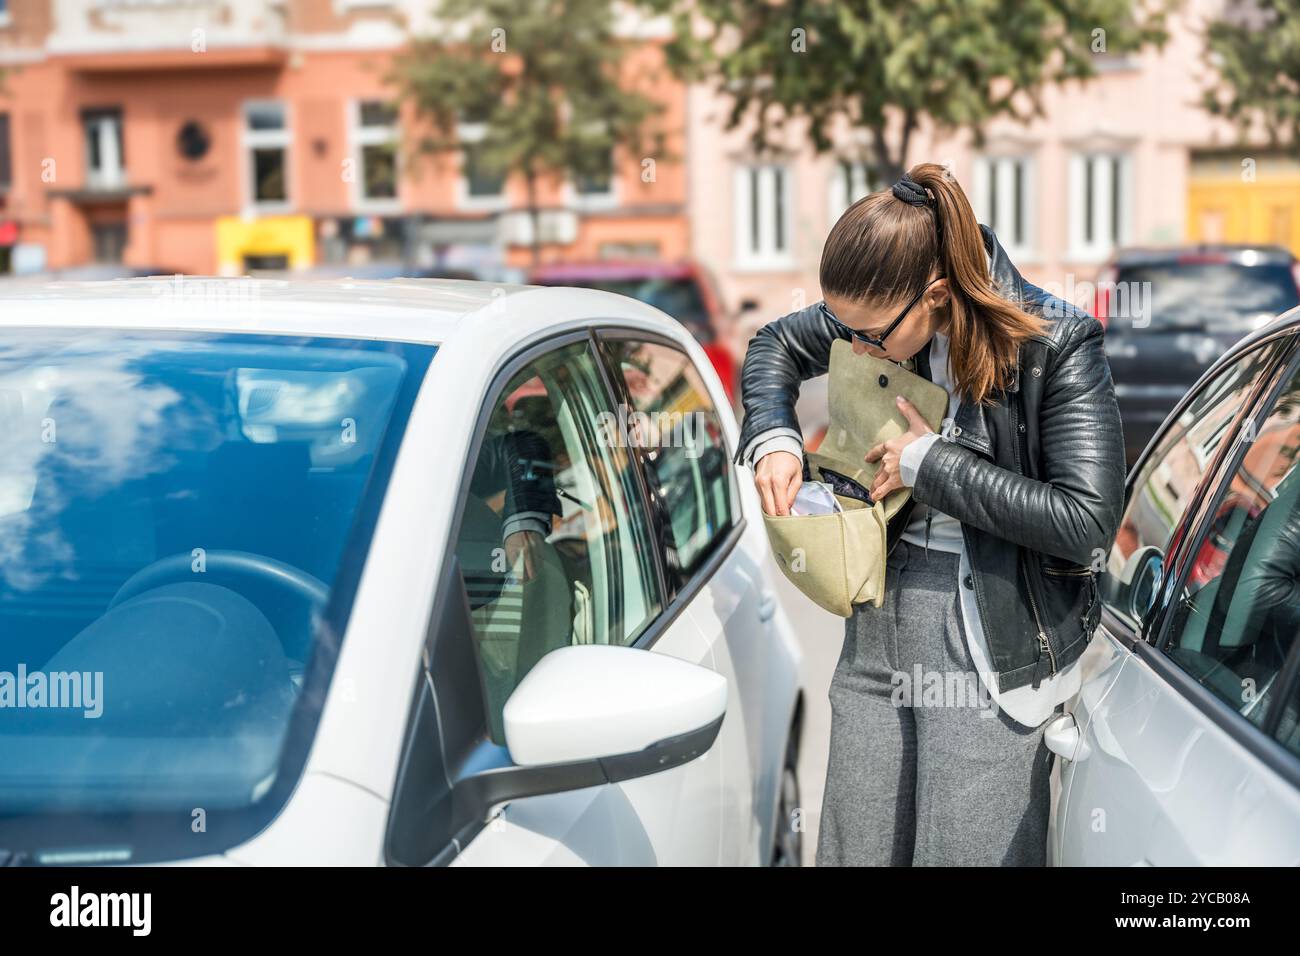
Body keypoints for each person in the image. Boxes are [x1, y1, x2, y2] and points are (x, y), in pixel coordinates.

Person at [734, 162, 1127, 866]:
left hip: (988, 638)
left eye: (870, 337)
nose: (854, 351)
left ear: (937, 295)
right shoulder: (882, 305)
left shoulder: (1056, 346)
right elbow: (772, 346)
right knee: (856, 848)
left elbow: (1086, 520)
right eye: (844, 331)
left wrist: (929, 464)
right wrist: (775, 438)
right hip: (877, 620)